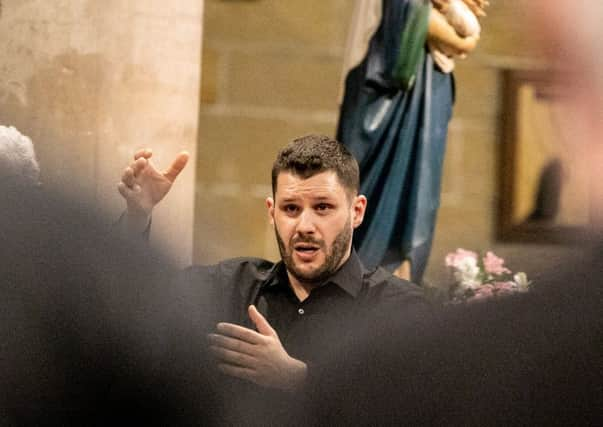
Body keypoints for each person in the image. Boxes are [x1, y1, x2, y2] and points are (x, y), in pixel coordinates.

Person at [117, 134, 426, 398]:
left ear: (356, 211)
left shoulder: (403, 311)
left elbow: (414, 408)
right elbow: (137, 303)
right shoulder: (229, 286)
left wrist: (299, 380)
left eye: (323, 208)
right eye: (291, 208)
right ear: (271, 211)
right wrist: (137, 217)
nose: (305, 225)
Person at [337, 0, 487, 283]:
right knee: (375, 203)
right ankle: (369, 289)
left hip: (425, 91)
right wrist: (465, 37)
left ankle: (398, 283)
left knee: (416, 196)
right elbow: (411, 16)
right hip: (388, 96)